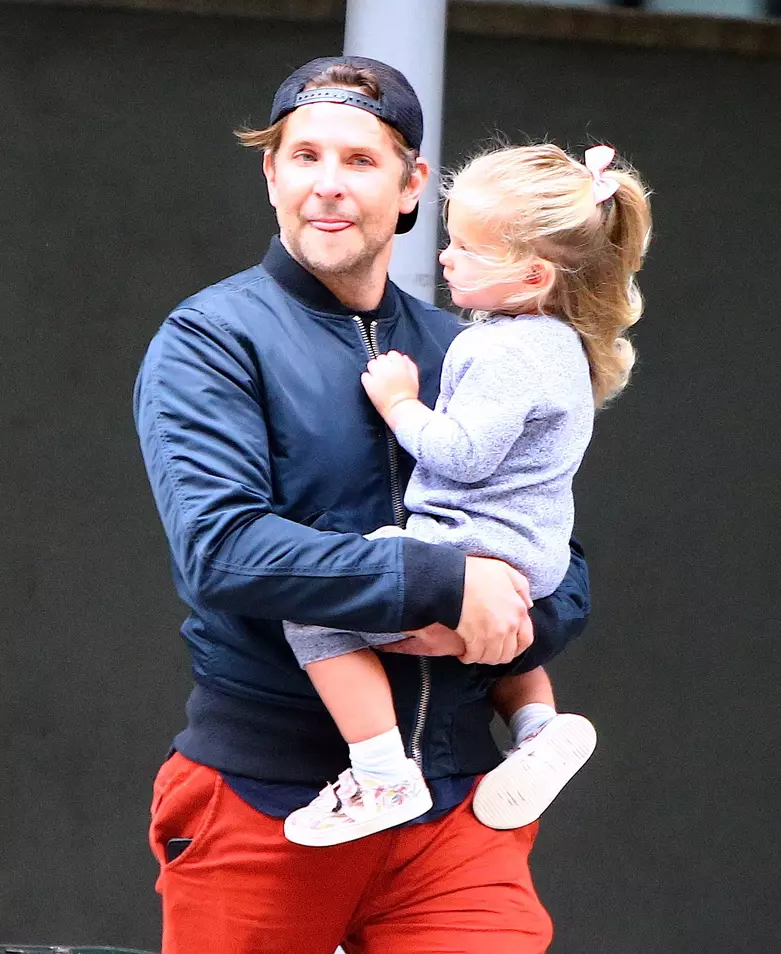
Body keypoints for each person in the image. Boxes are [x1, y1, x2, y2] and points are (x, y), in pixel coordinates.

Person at [134, 55, 591, 954]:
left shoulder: (474, 342)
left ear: (412, 184)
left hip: (459, 811)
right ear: (271, 175)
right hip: (269, 801)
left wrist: (519, 617)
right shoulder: (212, 339)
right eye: (304, 157)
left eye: (360, 161)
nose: (327, 188)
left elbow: (557, 543)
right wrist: (440, 579)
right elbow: (222, 549)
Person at [281, 142, 651, 846]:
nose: (446, 258)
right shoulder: (563, 344)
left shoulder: (497, 348)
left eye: (467, 249)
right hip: (533, 555)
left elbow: (463, 453)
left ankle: (381, 770)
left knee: (316, 610)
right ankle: (539, 729)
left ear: (533, 274)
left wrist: (398, 405)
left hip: (469, 542)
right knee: (501, 635)